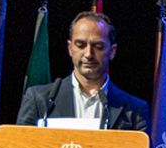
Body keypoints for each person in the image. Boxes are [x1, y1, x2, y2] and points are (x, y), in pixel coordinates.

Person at [16, 11, 150, 131]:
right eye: (80, 45)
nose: (88, 54)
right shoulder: (39, 100)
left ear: (112, 51)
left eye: (98, 46)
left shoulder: (134, 110)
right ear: (70, 48)